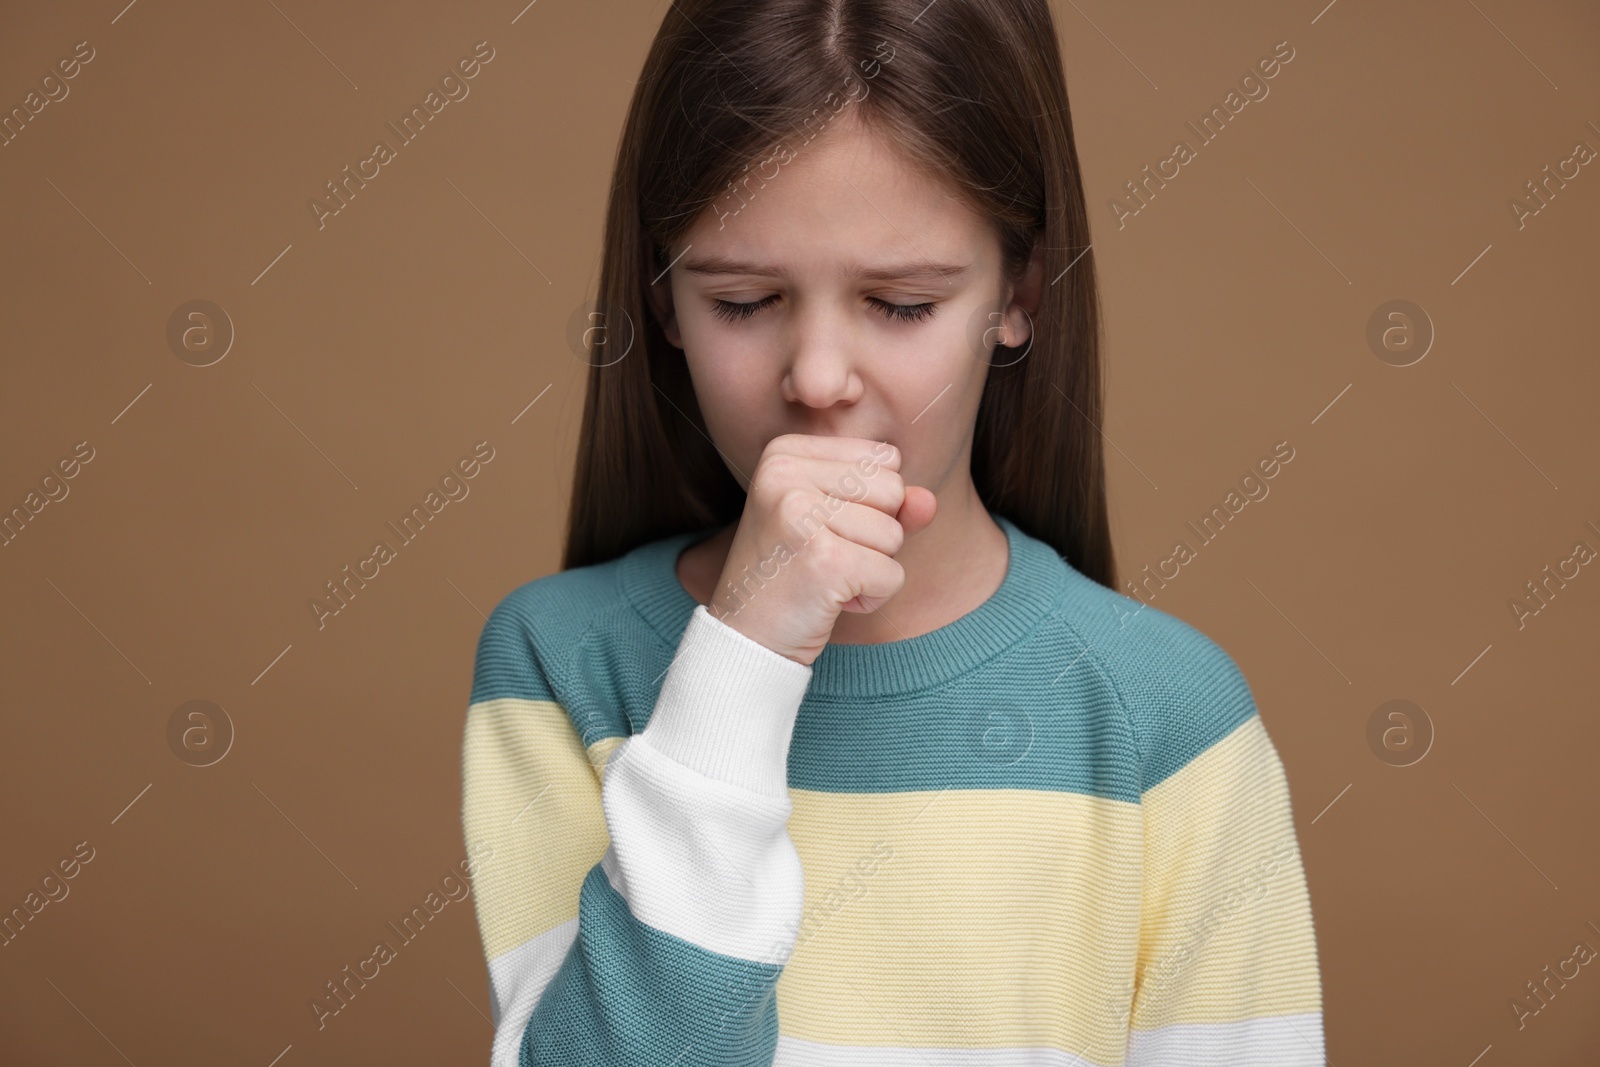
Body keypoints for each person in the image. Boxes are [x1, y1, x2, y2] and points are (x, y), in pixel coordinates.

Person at [460, 1, 1324, 1063]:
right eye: (742, 298)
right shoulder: (559, 665)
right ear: (661, 302)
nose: (818, 377)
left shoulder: (1170, 720)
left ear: (1019, 293)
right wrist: (736, 664)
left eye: (901, 303)